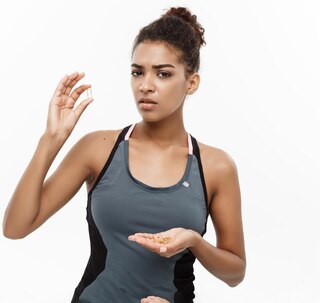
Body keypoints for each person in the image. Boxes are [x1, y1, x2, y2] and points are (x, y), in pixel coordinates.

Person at [2, 7, 246, 303]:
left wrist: (194, 241)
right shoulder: (99, 148)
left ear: (191, 82)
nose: (145, 85)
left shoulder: (215, 166)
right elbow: (15, 228)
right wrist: (51, 140)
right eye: (137, 72)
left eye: (163, 74)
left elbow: (235, 273)